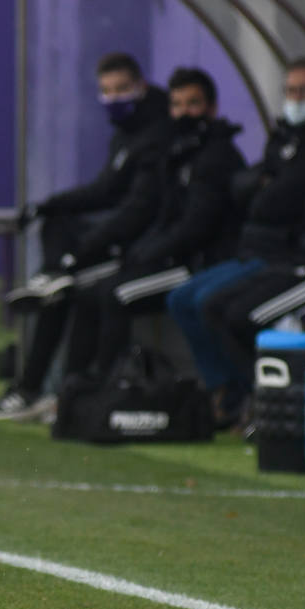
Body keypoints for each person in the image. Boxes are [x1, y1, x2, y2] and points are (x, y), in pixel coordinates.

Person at [0, 52, 169, 420]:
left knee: (73, 292)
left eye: (122, 90)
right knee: (58, 230)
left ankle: (52, 390)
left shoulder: (157, 137)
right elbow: (106, 190)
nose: (114, 99)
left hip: (142, 249)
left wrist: (80, 253)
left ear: (141, 87)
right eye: (107, 91)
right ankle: (54, 283)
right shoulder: (130, 135)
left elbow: (139, 211)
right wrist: (48, 205)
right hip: (123, 240)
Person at [62, 67, 246, 380]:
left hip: (199, 264)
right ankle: (73, 388)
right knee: (89, 292)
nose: (184, 113)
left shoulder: (217, 157)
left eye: (193, 104)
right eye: (177, 105)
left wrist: (150, 251)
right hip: (175, 258)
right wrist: (142, 249)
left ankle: (109, 388)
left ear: (212, 108)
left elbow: (195, 229)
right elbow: (163, 213)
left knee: (116, 294)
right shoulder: (178, 154)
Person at [171, 59, 305, 427]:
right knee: (193, 301)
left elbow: (277, 198)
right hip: (262, 250)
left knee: (234, 314)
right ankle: (233, 395)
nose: (296, 100)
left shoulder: (220, 153)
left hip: (291, 259)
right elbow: (248, 189)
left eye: (304, 92)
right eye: (291, 91)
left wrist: (264, 188)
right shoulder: (283, 138)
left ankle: (262, 403)